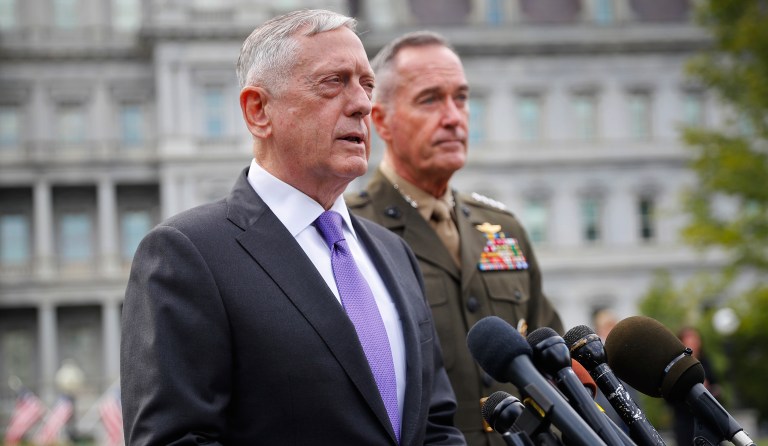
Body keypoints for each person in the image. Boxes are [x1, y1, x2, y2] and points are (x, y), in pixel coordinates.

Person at [120, 10, 465, 446]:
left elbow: (436, 426)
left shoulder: (394, 254)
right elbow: (175, 439)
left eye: (367, 85)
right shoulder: (186, 254)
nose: (362, 104)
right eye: (334, 82)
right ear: (258, 110)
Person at [346, 31, 563, 446]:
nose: (453, 116)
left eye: (461, 98)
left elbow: (552, 361)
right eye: (430, 99)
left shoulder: (502, 228)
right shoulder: (350, 234)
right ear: (381, 120)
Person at [672, 326, 721, 446]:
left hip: (708, 419)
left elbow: (716, 386)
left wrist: (712, 389)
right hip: (687, 421)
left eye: (695, 339)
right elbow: (670, 396)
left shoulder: (705, 362)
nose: (694, 343)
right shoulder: (676, 366)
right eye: (689, 339)